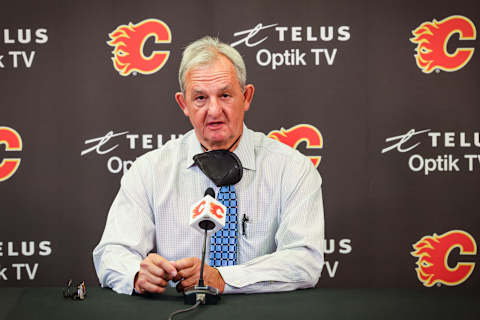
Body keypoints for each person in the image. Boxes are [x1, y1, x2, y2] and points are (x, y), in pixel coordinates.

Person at [93, 36, 324, 295]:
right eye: (200, 98)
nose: (214, 111)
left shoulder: (292, 168)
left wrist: (224, 278)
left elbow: (304, 261)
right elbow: (111, 252)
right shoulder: (149, 171)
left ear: (246, 97)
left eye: (225, 95)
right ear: (184, 104)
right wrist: (136, 273)